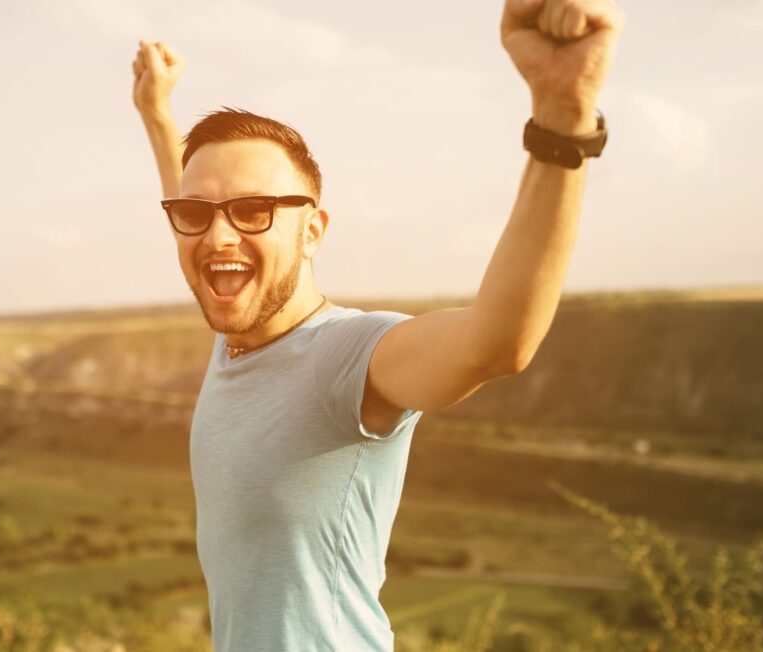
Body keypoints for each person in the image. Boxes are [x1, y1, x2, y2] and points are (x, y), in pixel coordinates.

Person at [131, 0, 624, 649]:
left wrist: (562, 122)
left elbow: (495, 344)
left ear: (314, 231)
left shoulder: (346, 356)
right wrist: (158, 116)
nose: (220, 234)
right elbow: (200, 222)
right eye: (198, 213)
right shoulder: (240, 335)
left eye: (253, 210)